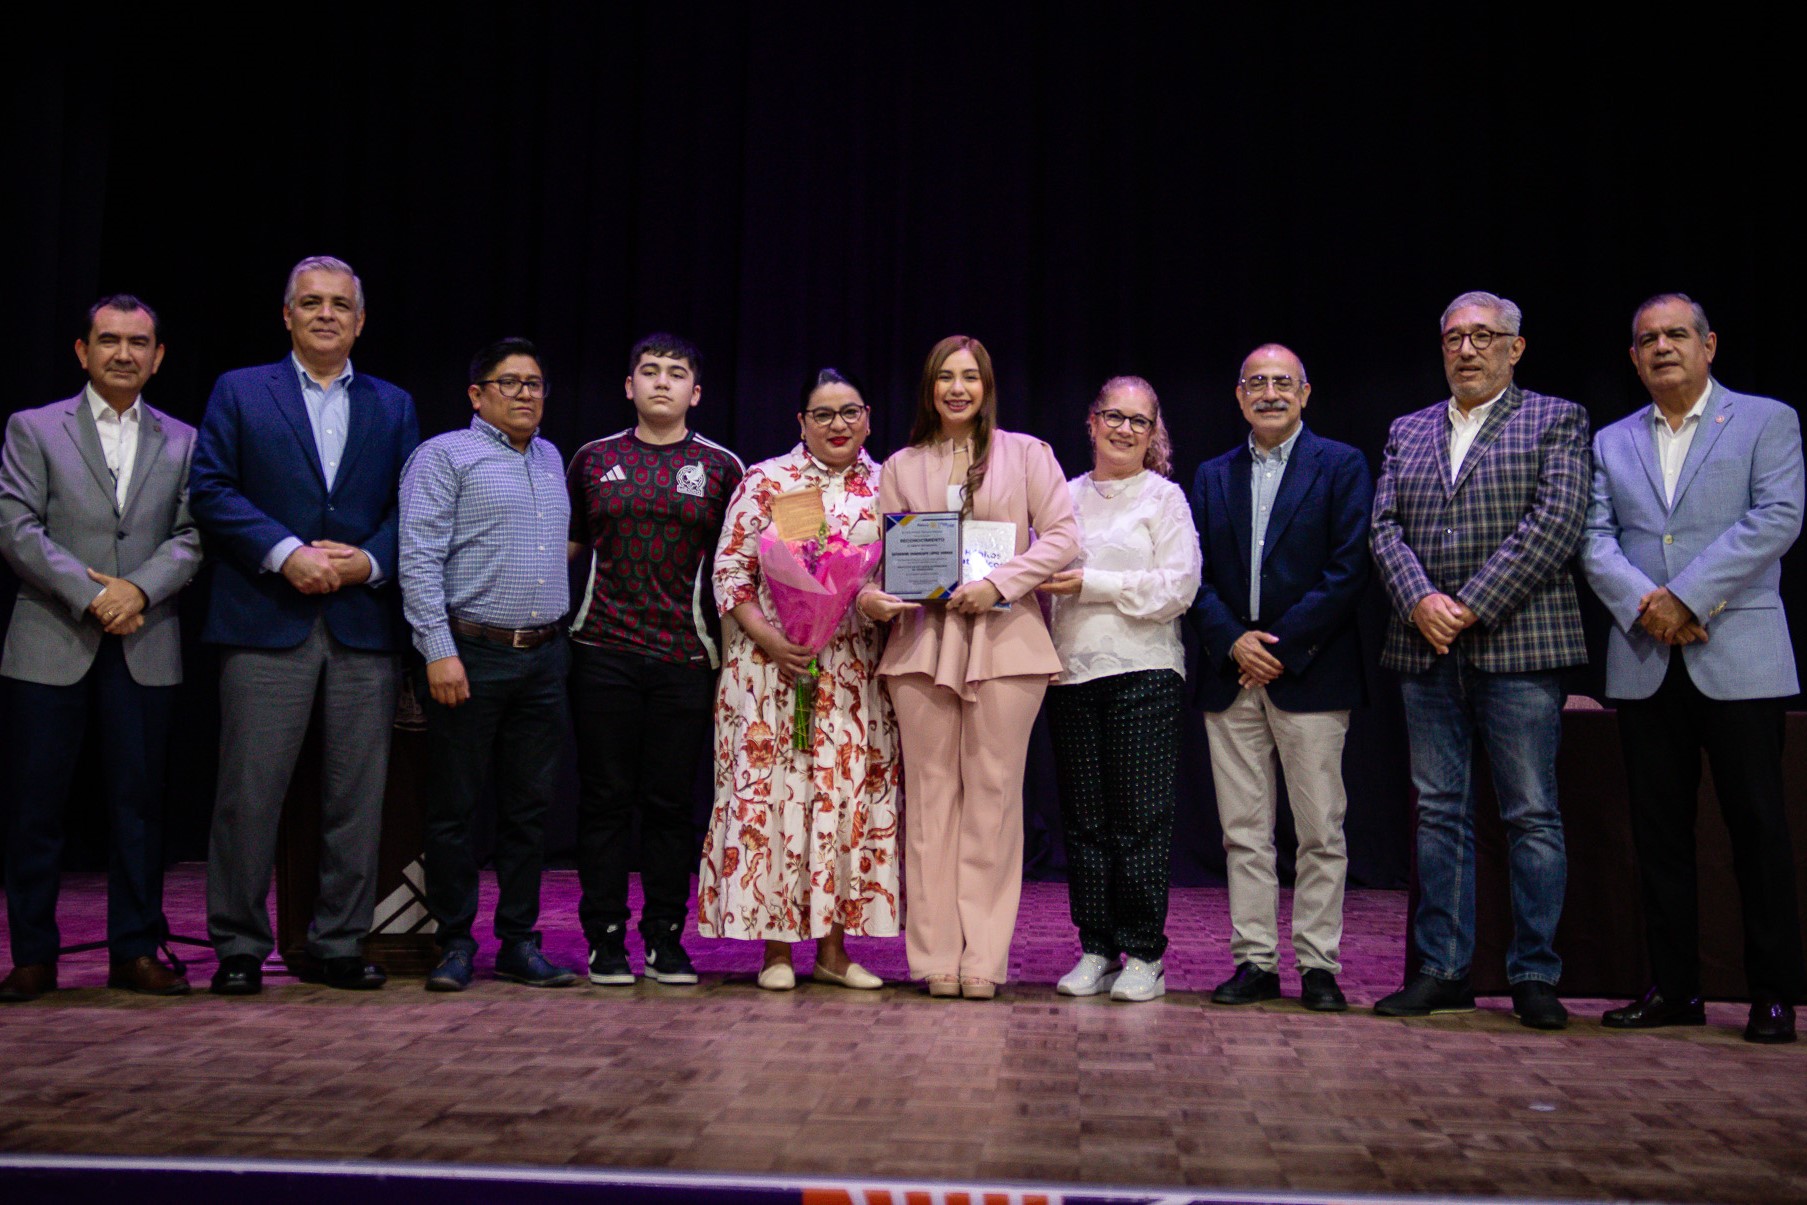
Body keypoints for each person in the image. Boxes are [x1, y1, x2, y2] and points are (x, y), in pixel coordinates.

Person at [191, 255, 420, 995]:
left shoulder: (394, 403)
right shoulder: (239, 390)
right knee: (249, 795)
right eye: (312, 302)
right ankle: (239, 945)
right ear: (286, 314)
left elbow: (412, 507)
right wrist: (285, 551)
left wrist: (369, 562)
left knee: (357, 796)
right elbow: (211, 488)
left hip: (363, 623)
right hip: (265, 618)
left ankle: (338, 942)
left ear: (361, 320)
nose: (326, 314)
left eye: (340, 304)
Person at [1581, 294, 1805, 1044]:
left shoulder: (1765, 420)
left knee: (1758, 831)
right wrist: (1647, 606)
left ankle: (1772, 993)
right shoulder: (1611, 440)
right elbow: (1593, 538)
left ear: (1709, 345)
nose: (1661, 347)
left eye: (1676, 334)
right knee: (1658, 836)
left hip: (1737, 653)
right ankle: (1674, 989)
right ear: (1633, 357)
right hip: (1645, 656)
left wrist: (1686, 596)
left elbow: (1776, 517)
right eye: (1647, 338)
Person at [1369, 290, 1588, 1030]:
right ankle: (1442, 970)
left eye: (1483, 336)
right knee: (1438, 814)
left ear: (1514, 348)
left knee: (1531, 814)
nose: (1466, 349)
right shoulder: (1408, 429)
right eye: (1454, 338)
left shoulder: (1555, 418)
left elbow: (1554, 523)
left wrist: (1466, 606)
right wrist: (1419, 602)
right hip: (1425, 648)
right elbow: (1384, 528)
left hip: (1519, 646)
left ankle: (1534, 974)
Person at [859, 335, 1079, 999]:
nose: (957, 389)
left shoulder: (1029, 453)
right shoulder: (900, 465)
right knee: (930, 804)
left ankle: (983, 956)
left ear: (987, 386)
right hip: (922, 644)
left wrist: (999, 583)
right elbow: (878, 553)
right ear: (929, 388)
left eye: (970, 377)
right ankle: (934, 957)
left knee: (993, 799)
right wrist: (869, 595)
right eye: (945, 377)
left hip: (1006, 644)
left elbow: (1064, 536)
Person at [0, 296, 202, 1003]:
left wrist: (137, 591)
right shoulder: (33, 427)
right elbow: (17, 527)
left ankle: (135, 951)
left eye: (138, 342)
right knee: (35, 808)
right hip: (50, 638)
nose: (124, 353)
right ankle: (32, 956)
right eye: (109, 340)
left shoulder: (185, 440)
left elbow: (192, 535)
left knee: (138, 807)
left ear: (158, 356)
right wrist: (93, 596)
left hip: (146, 639)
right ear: (83, 352)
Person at [697, 368, 901, 990]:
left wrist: (878, 599)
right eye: (823, 414)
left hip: (852, 674)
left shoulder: (889, 486)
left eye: (849, 412)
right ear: (802, 423)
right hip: (772, 672)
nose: (838, 425)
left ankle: (835, 954)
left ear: (868, 418)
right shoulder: (768, 480)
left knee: (842, 802)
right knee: (778, 799)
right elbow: (730, 571)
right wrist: (772, 640)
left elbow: (901, 569)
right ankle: (777, 953)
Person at [1190, 345, 1372, 1013]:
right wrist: (1233, 641)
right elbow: (1193, 572)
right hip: (1230, 673)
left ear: (1305, 393)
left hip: (1311, 671)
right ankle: (1255, 961)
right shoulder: (1212, 475)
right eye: (1257, 383)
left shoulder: (1342, 465)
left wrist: (1279, 647)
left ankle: (1318, 966)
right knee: (1244, 831)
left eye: (1282, 382)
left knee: (1320, 830)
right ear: (1239, 396)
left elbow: (1348, 569)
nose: (1270, 393)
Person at [399, 338, 578, 992]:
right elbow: (418, 556)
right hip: (468, 653)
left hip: (543, 656)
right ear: (477, 395)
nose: (526, 393)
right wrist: (438, 650)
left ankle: (518, 942)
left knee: (529, 811)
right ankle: (453, 942)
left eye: (535, 383)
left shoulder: (551, 457)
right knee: (455, 809)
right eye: (511, 382)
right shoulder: (444, 455)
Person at [567, 333, 743, 987]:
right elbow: (566, 547)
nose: (661, 382)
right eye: (649, 371)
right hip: (601, 651)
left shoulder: (723, 467)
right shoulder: (593, 459)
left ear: (696, 392)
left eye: (675, 373)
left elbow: (741, 564)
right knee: (605, 801)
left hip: (685, 657)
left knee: (670, 805)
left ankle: (666, 937)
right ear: (628, 385)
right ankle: (605, 937)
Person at [1040, 376, 1199, 1003]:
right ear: (1092, 421)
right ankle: (1098, 948)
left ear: (1153, 431)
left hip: (1145, 675)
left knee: (1139, 821)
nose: (1125, 429)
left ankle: (1145, 954)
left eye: (1139, 421)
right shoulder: (1063, 496)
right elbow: (1036, 573)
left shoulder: (1164, 498)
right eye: (1114, 416)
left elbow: (1179, 587)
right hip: (1070, 674)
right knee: (1085, 822)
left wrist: (1093, 583)